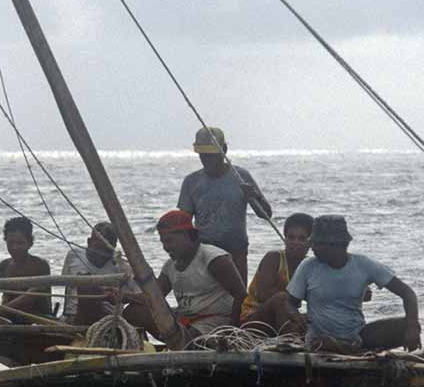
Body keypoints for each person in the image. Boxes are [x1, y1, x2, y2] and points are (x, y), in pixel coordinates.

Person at [284, 215, 421, 353]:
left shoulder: (364, 265)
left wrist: (412, 327)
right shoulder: (308, 266)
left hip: (358, 337)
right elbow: (290, 302)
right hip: (321, 340)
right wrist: (295, 315)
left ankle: (352, 348)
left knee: (406, 325)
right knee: (324, 343)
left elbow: (407, 293)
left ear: (336, 245)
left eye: (317, 243)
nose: (311, 247)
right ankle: (341, 347)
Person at [123, 209, 248, 342]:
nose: (165, 247)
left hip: (215, 321)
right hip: (184, 319)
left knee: (193, 339)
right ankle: (149, 347)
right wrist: (123, 296)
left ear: (185, 235)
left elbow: (241, 296)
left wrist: (231, 332)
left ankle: (183, 344)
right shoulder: (169, 266)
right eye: (163, 242)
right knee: (133, 312)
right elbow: (154, 298)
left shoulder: (214, 259)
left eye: (169, 241)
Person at [177, 126, 271, 283]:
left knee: (238, 300)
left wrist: (254, 197)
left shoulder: (241, 176)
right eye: (203, 155)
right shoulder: (191, 182)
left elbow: (267, 214)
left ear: (224, 150)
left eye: (211, 155)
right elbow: (182, 223)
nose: (207, 160)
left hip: (236, 253)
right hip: (205, 255)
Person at [239, 212, 314, 334]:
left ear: (311, 242)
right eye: (291, 237)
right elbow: (263, 295)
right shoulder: (274, 258)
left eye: (302, 238)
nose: (295, 242)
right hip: (254, 318)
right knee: (281, 298)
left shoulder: (310, 266)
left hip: (284, 318)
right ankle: (291, 340)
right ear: (285, 239)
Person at [0, 216, 52, 321]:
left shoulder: (40, 265)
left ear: (30, 243)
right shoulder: (5, 265)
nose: (14, 247)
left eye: (20, 243)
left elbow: (28, 299)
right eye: (10, 243)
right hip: (6, 314)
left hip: (34, 318)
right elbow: (8, 295)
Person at [60, 222, 140, 325]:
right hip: (73, 317)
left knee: (89, 288)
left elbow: (139, 296)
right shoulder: (73, 255)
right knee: (86, 285)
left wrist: (120, 296)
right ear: (89, 242)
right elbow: (67, 287)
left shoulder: (122, 267)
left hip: (106, 320)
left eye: (106, 251)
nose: (101, 255)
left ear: (113, 247)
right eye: (97, 249)